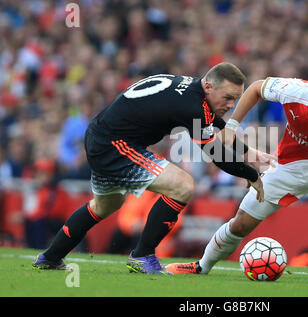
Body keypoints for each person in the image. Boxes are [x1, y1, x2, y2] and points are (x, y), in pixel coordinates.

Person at [32, 62, 273, 274]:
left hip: (102, 137)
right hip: (115, 145)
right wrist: (251, 174)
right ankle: (142, 255)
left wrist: (248, 153)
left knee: (105, 205)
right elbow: (217, 155)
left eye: (236, 99)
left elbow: (214, 122)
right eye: (228, 97)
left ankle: (50, 257)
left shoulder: (192, 88)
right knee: (183, 185)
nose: (232, 105)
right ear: (209, 87)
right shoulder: (192, 106)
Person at [166, 68, 308, 280]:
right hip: (289, 164)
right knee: (240, 223)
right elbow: (255, 88)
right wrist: (232, 126)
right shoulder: (294, 91)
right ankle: (201, 266)